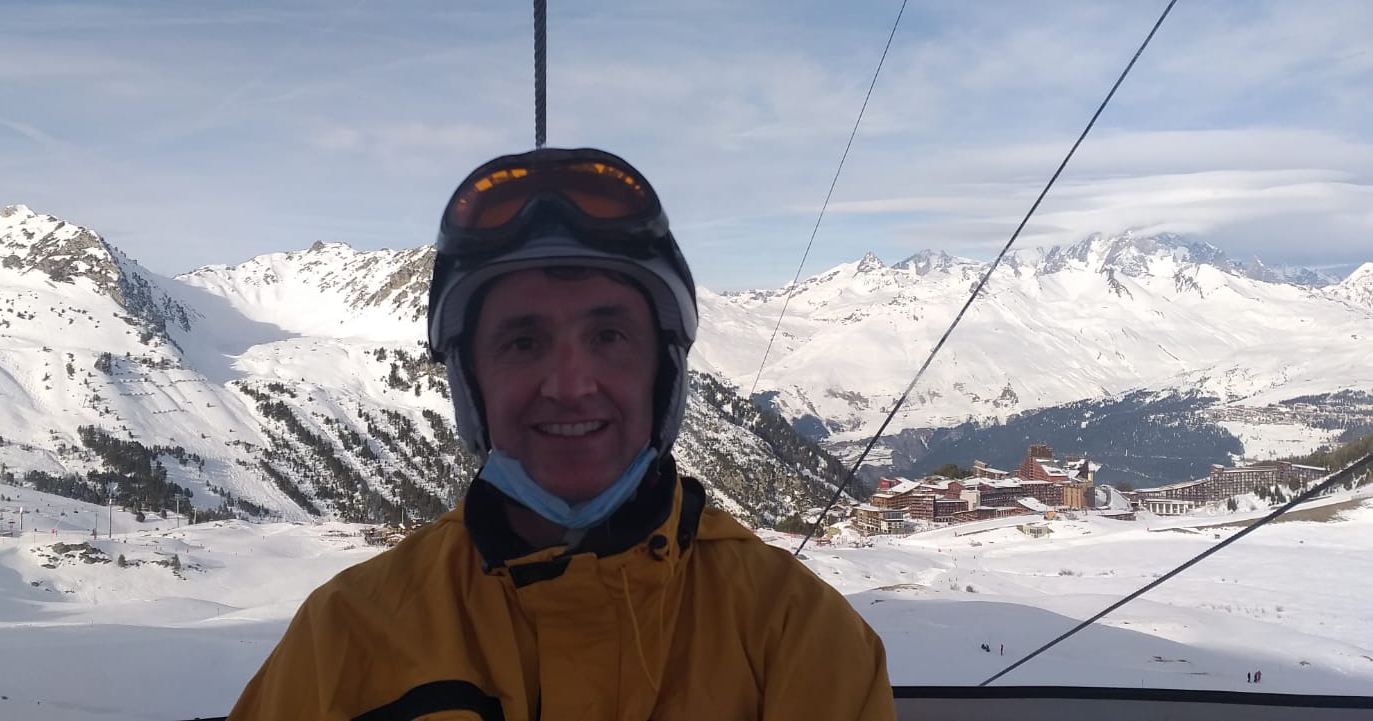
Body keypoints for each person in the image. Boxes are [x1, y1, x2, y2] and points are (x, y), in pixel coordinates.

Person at [228, 147, 895, 720]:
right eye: (523, 342)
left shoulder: (795, 635)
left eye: (609, 336)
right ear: (470, 386)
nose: (570, 384)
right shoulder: (344, 637)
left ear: (662, 376)